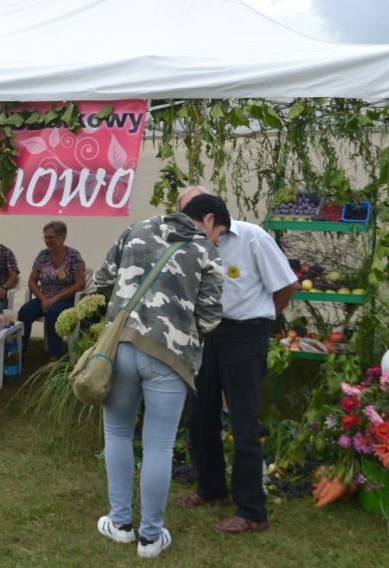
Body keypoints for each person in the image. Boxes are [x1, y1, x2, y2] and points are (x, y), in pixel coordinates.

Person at [93, 194, 229, 558]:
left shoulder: (135, 229)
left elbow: (101, 278)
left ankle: (119, 523)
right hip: (170, 357)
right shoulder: (205, 252)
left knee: (118, 432)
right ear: (209, 220)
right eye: (221, 234)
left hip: (120, 347)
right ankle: (151, 538)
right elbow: (212, 317)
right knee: (158, 446)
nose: (218, 241)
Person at [176, 185, 299, 535]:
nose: (191, 236)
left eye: (195, 227)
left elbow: (287, 285)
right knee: (200, 416)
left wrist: (262, 319)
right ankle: (211, 489)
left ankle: (251, 510)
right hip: (208, 335)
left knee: (243, 423)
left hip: (245, 337)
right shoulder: (196, 245)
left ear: (211, 220)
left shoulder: (253, 238)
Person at [18, 220, 86, 362]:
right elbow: (32, 281)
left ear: (62, 237)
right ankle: (20, 350)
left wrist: (55, 298)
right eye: (45, 237)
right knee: (24, 312)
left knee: (53, 313)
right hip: (45, 298)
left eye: (51, 237)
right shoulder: (42, 256)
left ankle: (54, 356)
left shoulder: (73, 256)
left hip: (66, 299)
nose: (47, 241)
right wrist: (43, 299)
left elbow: (80, 284)